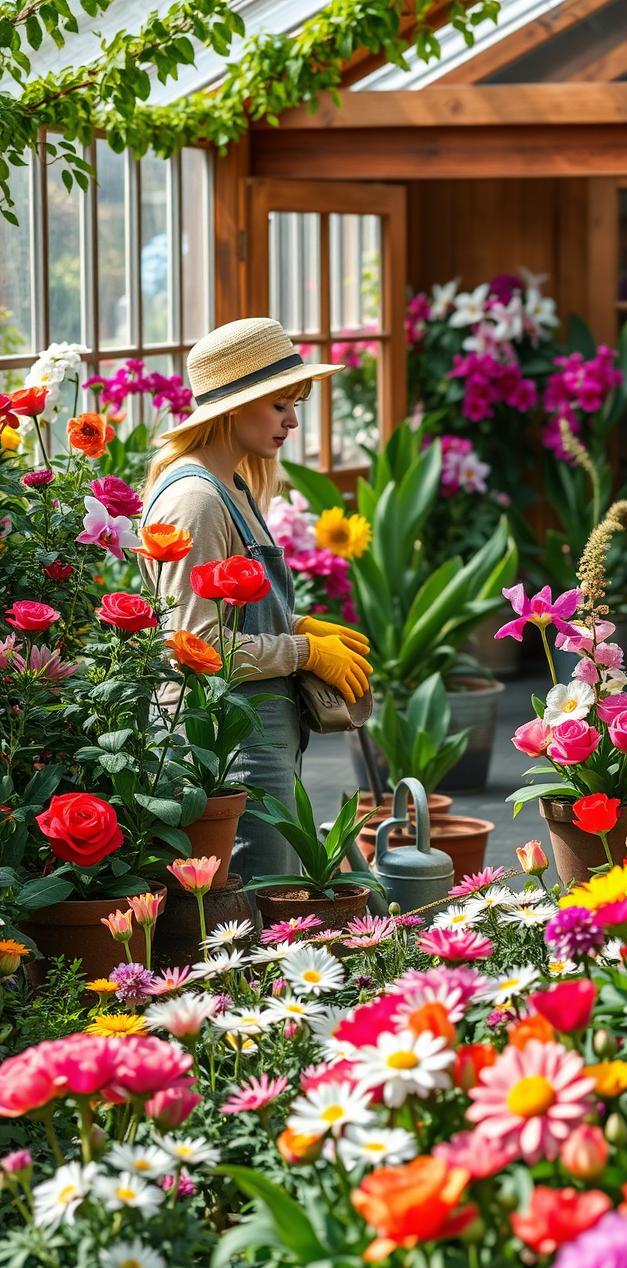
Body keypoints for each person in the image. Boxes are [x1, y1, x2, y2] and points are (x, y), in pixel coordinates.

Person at [140, 317, 372, 881]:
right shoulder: (195, 499)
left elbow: (231, 614)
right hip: (221, 742)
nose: (293, 421)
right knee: (249, 902)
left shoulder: (235, 487)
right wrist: (302, 653)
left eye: (296, 403)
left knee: (272, 898)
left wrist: (300, 625)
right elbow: (194, 647)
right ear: (233, 406)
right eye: (279, 405)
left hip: (256, 733)